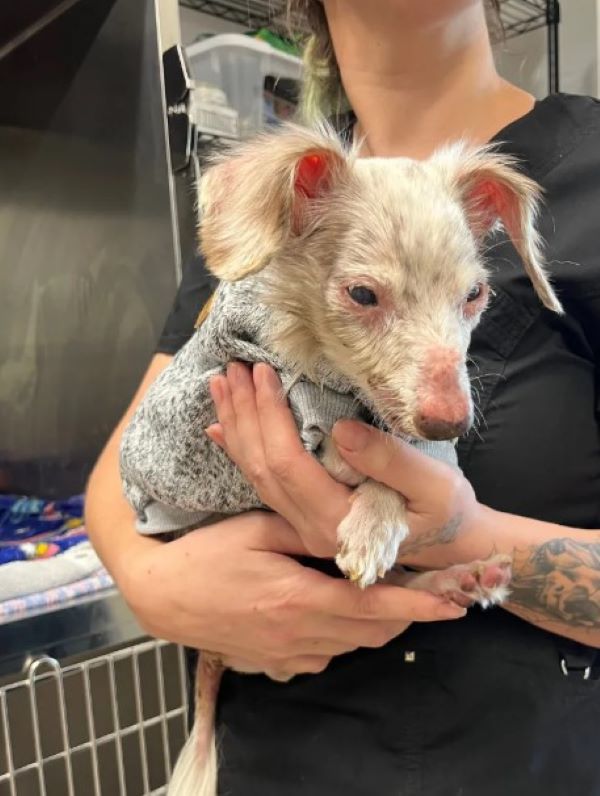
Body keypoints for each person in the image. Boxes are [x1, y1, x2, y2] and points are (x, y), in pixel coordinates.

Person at [85, 1, 600, 793]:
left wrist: (460, 536)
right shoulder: (280, 211)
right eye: (363, 295)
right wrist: (160, 591)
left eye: (472, 300)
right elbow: (121, 480)